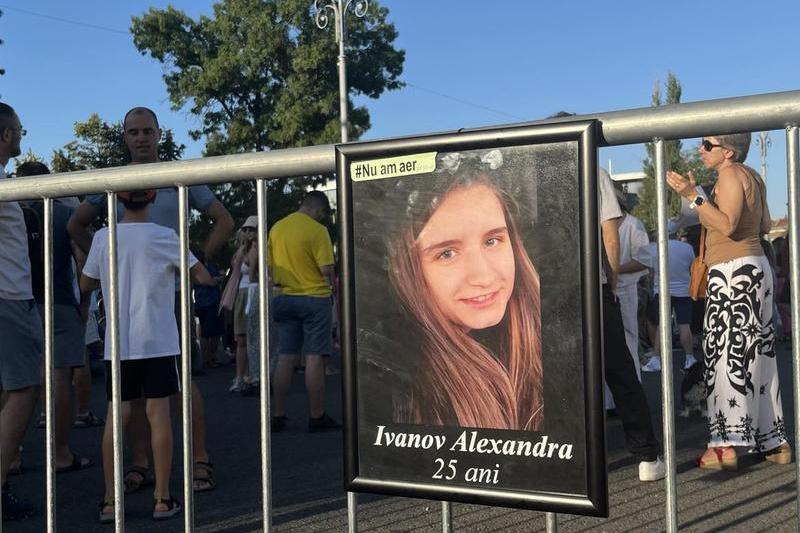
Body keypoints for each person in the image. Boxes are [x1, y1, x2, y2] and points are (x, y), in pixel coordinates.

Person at [68, 106, 233, 493]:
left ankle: (199, 459)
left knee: (182, 382)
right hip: (127, 301)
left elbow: (223, 219)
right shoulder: (114, 180)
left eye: (147, 131)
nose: (140, 137)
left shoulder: (180, 176)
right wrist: (104, 262)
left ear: (159, 134)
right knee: (137, 390)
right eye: (133, 132)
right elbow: (76, 223)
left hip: (172, 297)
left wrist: (200, 258)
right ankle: (141, 464)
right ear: (124, 137)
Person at [81, 188, 214, 522]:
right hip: (158, 341)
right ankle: (162, 499)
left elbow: (85, 283)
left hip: (119, 342)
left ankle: (110, 502)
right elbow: (202, 275)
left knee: (117, 416)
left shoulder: (102, 237)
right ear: (153, 198)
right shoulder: (164, 236)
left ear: (118, 200)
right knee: (159, 415)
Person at [386, 165, 543, 430]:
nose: (482, 275)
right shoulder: (404, 386)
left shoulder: (543, 340)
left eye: (492, 241)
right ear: (408, 270)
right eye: (447, 253)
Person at [666, 133, 790, 470]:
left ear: (728, 151)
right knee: (758, 351)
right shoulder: (754, 177)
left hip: (732, 271)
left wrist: (693, 196)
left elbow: (729, 225)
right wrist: (702, 199)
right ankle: (773, 440)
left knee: (725, 353)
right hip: (754, 267)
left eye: (708, 144)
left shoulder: (731, 174)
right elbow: (763, 224)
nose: (701, 150)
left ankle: (726, 444)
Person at [15, 161, 94, 474]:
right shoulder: (64, 214)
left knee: (13, 381)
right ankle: (60, 453)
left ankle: (12, 454)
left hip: (17, 301)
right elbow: (81, 256)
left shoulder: (9, 214)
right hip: (59, 300)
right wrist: (84, 298)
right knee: (61, 376)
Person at [0, 103, 44, 521]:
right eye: (19, 130)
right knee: (24, 390)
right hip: (8, 300)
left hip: (13, 298)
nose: (21, 136)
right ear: (7, 136)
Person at [269, 191, 340, 432]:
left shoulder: (277, 228)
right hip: (314, 298)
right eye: (323, 214)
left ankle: (278, 415)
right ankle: (316, 416)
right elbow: (325, 269)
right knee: (314, 356)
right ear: (318, 210)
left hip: (284, 297)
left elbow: (271, 267)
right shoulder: (317, 231)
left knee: (285, 356)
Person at [621, 224, 697, 372]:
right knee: (684, 326)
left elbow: (649, 271)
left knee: (663, 326)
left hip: (662, 291)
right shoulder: (686, 248)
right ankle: (689, 358)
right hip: (683, 291)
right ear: (676, 232)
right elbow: (692, 268)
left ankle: (657, 358)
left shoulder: (654, 248)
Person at [225, 217, 257, 392]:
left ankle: (252, 375)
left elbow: (255, 275)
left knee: (255, 338)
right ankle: (240, 377)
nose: (248, 233)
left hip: (255, 292)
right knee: (242, 340)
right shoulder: (241, 250)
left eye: (251, 229)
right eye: (245, 229)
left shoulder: (261, 249)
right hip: (242, 294)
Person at [192, 250, 224, 368]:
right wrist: (217, 279)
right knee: (208, 332)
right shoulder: (199, 269)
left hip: (207, 301)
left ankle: (210, 357)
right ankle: (208, 358)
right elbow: (210, 281)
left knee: (210, 332)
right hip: (207, 302)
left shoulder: (206, 266)